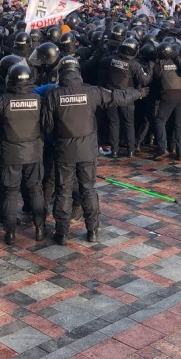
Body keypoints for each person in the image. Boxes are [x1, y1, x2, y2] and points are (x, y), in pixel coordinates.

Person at [42, 56, 147, 245]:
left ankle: (62, 233)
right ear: (78, 73)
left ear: (61, 73)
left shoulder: (53, 95)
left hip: (64, 150)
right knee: (88, 189)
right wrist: (138, 93)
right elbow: (118, 97)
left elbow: (47, 127)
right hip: (87, 150)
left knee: (64, 191)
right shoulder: (91, 91)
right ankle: (92, 231)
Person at [0, 63, 46, 245]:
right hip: (33, 153)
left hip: (9, 154)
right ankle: (40, 228)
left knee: (10, 193)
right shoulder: (38, 100)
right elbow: (48, 125)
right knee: (35, 190)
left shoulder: (2, 100)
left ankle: (10, 233)